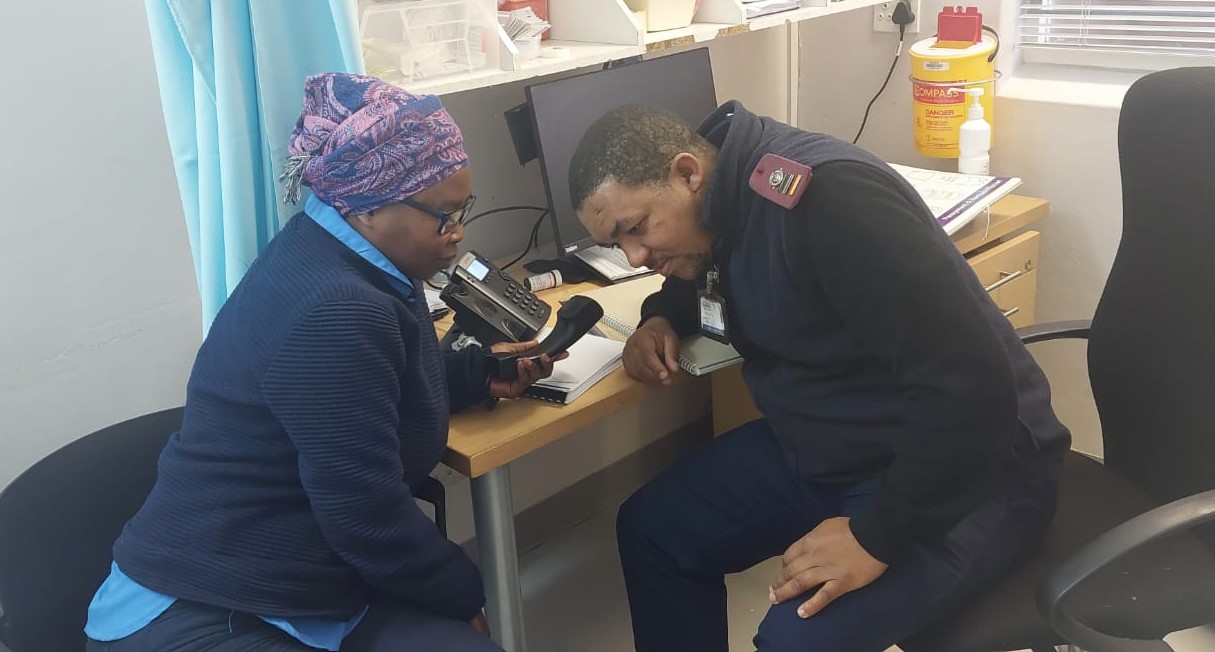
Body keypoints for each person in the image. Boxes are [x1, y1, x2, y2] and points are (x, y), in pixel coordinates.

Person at [568, 101, 1071, 652]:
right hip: (835, 440)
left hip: (972, 467)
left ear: (688, 173)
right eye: (618, 245)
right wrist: (660, 316)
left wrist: (877, 537)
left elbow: (975, 392)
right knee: (654, 530)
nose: (635, 256)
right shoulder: (721, 199)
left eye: (636, 229)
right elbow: (710, 273)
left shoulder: (829, 201)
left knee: (794, 642)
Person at [83, 73, 558, 652]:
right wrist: (465, 596)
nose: (458, 233)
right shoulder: (337, 307)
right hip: (209, 600)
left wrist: (476, 372)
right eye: (444, 216)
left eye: (464, 209)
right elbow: (368, 517)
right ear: (368, 206)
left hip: (304, 574)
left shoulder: (351, 254)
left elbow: (367, 392)